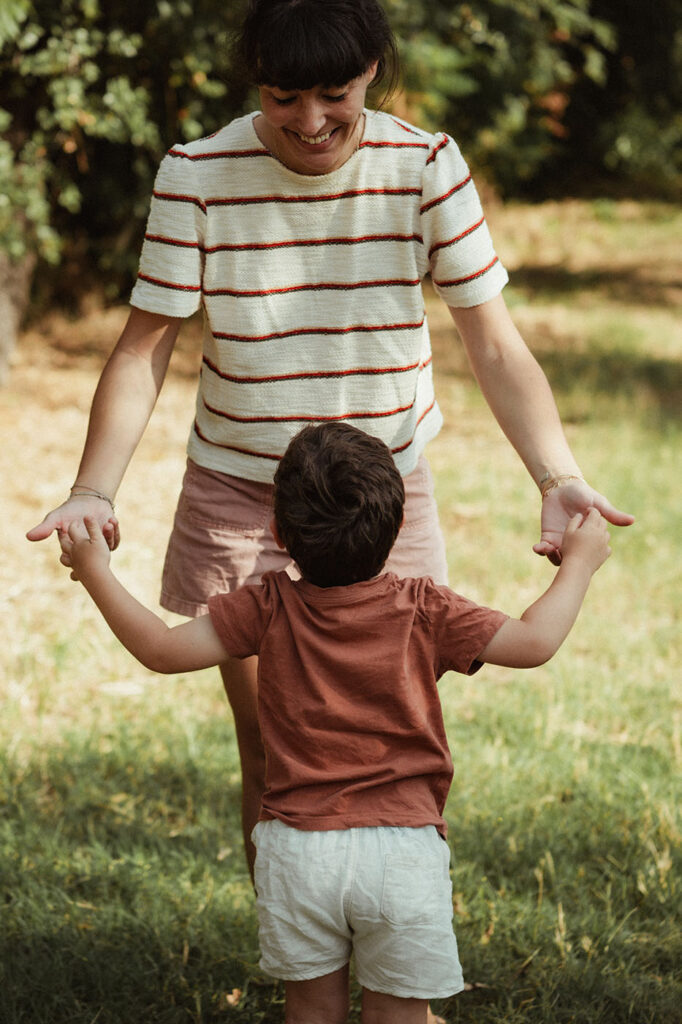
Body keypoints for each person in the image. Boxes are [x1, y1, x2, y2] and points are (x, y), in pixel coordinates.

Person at [27, 0, 634, 878]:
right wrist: (94, 488)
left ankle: (401, 977)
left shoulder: (425, 165)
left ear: (373, 72)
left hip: (378, 501)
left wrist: (557, 472)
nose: (309, 122)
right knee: (275, 750)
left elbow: (494, 343)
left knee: (398, 746)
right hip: (244, 494)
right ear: (255, 87)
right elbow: (142, 349)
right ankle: (301, 974)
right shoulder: (197, 174)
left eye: (333, 95)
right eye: (282, 97)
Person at [61, 422, 612, 1024]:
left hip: (297, 851)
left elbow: (161, 652)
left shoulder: (266, 605)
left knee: (313, 1014)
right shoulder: (426, 606)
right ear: (397, 528)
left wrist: (96, 571)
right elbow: (535, 642)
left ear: (278, 532)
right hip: (402, 853)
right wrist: (578, 565)